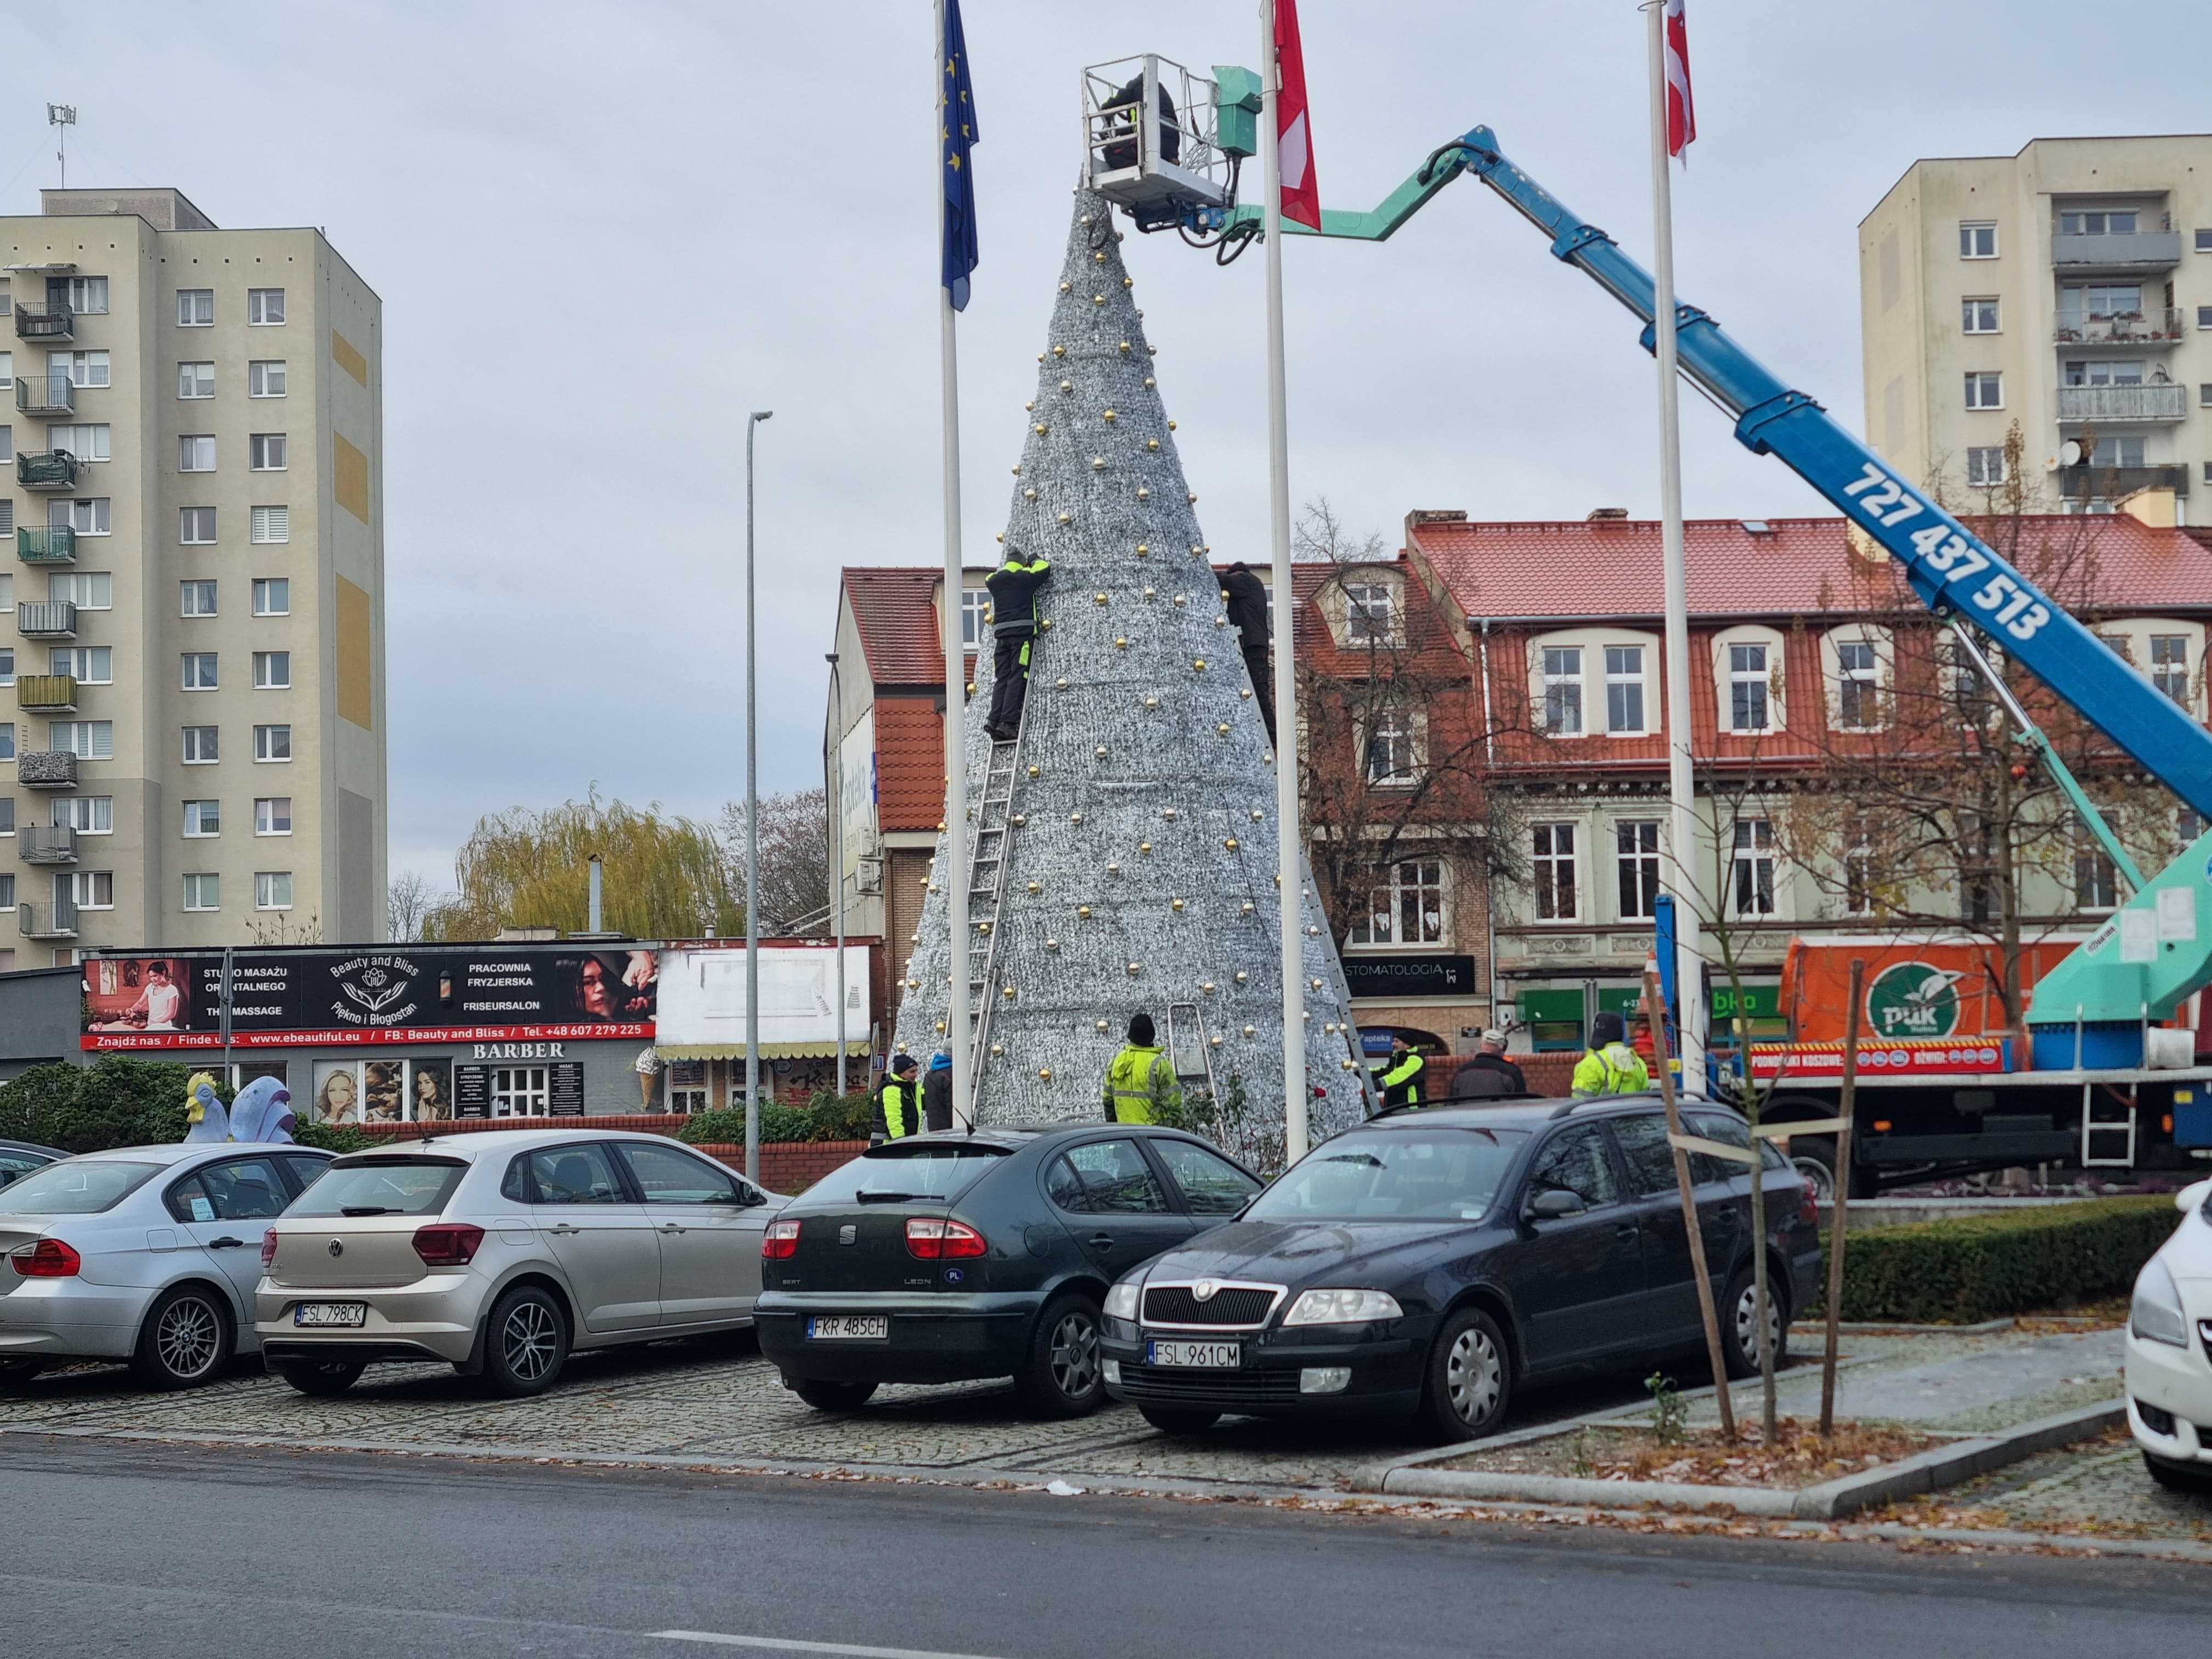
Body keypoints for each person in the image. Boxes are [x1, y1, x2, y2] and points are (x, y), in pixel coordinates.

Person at [983, 548, 1052, 741]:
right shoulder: (1025, 577)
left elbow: (990, 577)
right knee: (1017, 675)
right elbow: (1044, 568)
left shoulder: (994, 580)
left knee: (1002, 678)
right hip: (1022, 636)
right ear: (1021, 563)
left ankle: (993, 719)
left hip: (1002, 636)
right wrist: (1034, 559)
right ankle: (1007, 722)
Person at [1220, 561, 1276, 745]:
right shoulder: (1250, 589)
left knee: (1259, 693)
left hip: (1253, 647)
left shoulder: (1247, 581)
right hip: (1252, 646)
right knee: (1253, 694)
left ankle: (1273, 741)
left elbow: (1222, 581)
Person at [1103, 1012, 1181, 1125]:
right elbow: (1174, 1106)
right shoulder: (1159, 1064)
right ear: (1151, 1036)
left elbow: (1108, 1101)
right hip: (1152, 1137)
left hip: (1125, 1137)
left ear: (1130, 1036)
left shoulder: (1117, 1062)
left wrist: (1117, 1131)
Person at [1572, 1011, 1651, 1097]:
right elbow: (1645, 1097)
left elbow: (1579, 1102)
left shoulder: (1592, 1063)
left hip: (1602, 1111)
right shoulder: (1638, 1063)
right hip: (1632, 1110)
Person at [1451, 1029, 1527, 1097]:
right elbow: (1520, 1104)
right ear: (1504, 1048)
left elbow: (1451, 1104)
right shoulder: (1511, 1072)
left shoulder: (1462, 1071)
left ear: (1480, 1044)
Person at [872, 1054, 922, 1144]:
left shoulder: (909, 1088)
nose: (916, 1075)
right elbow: (894, 1122)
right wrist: (901, 1145)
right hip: (887, 1146)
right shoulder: (892, 1090)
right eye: (912, 1072)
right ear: (901, 1072)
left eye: (916, 1071)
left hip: (896, 1144)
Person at [1377, 1034, 1425, 1110]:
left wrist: (1376, 1085)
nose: (1393, 1044)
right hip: (1394, 1108)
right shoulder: (1396, 1058)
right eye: (1393, 1041)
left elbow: (1398, 1077)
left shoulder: (1415, 1059)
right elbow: (1384, 1071)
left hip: (1411, 1109)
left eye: (1396, 1041)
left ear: (1407, 1045)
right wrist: (1361, 1071)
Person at [922, 1049, 955, 1132]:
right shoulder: (952, 1074)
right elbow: (953, 1106)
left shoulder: (930, 1074)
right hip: (951, 1132)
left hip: (934, 1129)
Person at [634, 1046, 664, 1111]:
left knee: (647, 1094)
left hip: (649, 1068)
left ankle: (647, 1103)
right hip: (648, 1068)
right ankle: (647, 1104)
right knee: (647, 1094)